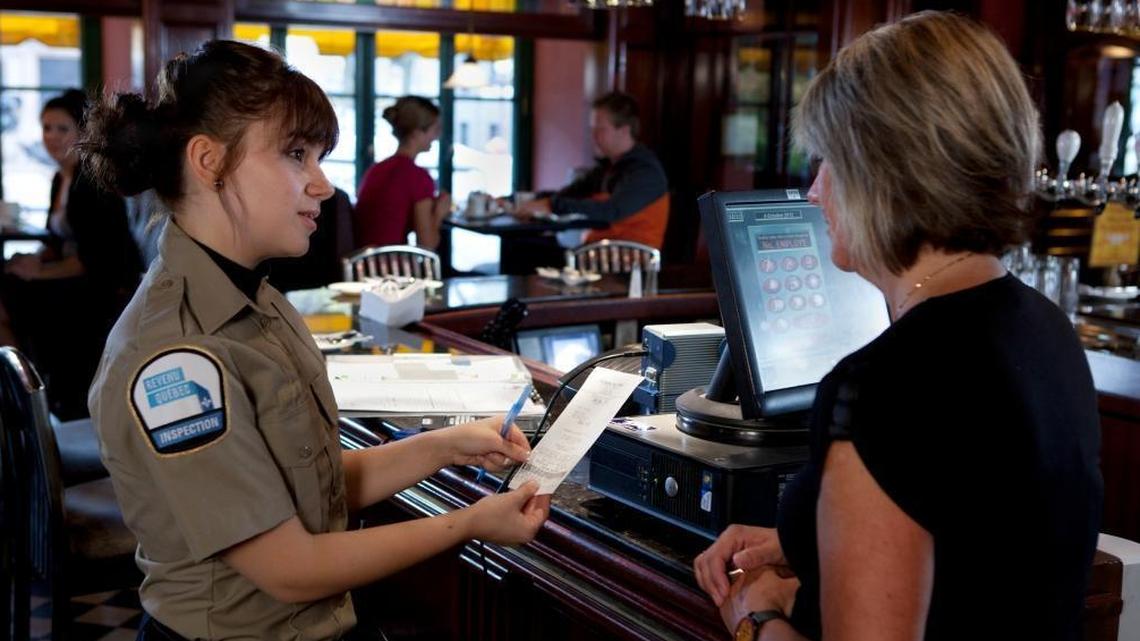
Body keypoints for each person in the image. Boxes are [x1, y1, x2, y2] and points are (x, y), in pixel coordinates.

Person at [82, 41, 549, 641]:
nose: (322, 185)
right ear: (209, 161)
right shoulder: (174, 355)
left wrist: (446, 446)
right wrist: (470, 524)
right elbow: (290, 568)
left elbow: (310, 486)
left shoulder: (258, 298)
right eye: (296, 155)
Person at [692, 12, 1101, 641]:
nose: (813, 192)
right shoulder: (1046, 329)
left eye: (826, 162)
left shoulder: (883, 386)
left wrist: (755, 618)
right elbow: (978, 545)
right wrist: (803, 539)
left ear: (884, 174)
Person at [1, 88, 143, 418]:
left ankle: (25, 396)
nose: (51, 137)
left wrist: (39, 272)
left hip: (103, 286)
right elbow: (62, 240)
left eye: (62, 129)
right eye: (46, 128)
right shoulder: (59, 178)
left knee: (10, 295)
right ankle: (26, 385)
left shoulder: (91, 183)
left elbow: (96, 259)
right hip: (76, 276)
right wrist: (37, 260)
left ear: (83, 133)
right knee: (8, 278)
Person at [515, 91, 669, 250]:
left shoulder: (645, 173)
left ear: (624, 130)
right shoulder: (609, 167)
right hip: (598, 252)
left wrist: (551, 205)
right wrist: (523, 201)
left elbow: (611, 211)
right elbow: (571, 193)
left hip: (629, 264)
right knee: (525, 248)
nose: (593, 136)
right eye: (592, 130)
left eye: (600, 130)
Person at [354, 96, 450, 250]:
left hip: (360, 264)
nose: (437, 136)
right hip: (392, 267)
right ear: (417, 132)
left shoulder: (376, 169)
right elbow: (427, 244)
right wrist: (439, 213)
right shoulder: (418, 177)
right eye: (435, 129)